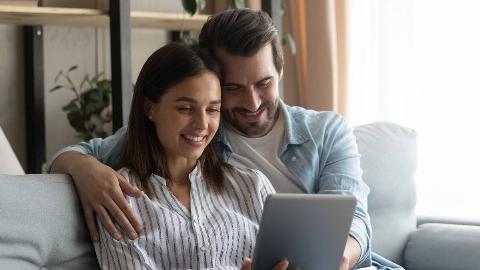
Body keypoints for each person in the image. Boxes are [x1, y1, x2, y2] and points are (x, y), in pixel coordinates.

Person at [49, 8, 402, 270]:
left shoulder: (324, 133)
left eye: (264, 83)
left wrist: (337, 259)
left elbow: (353, 215)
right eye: (234, 89)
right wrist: (84, 170)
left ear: (280, 71)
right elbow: (78, 154)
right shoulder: (193, 136)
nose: (251, 102)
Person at [89, 41, 291, 269]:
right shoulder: (118, 198)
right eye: (185, 108)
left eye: (213, 109)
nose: (202, 124)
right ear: (149, 108)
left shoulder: (253, 186)